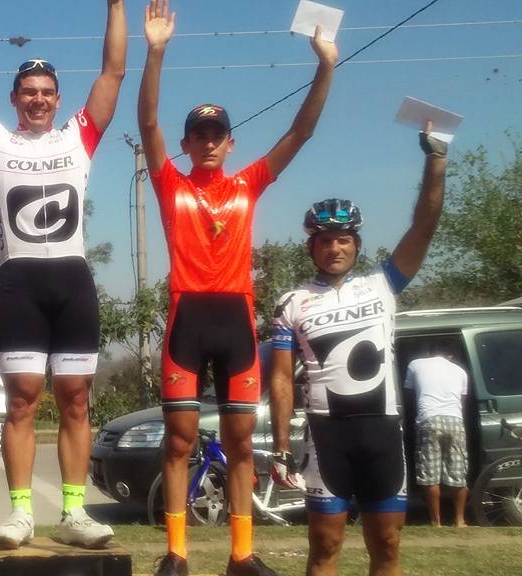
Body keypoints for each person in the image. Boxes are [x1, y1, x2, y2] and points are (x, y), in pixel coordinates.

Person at [136, 1, 336, 574]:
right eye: (197, 134)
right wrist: (156, 52)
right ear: (186, 143)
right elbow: (147, 124)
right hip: (188, 316)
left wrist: (325, 66)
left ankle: (241, 555)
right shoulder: (170, 183)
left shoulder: (249, 183)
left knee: (243, 442)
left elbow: (301, 131)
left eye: (216, 134)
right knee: (178, 441)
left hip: (235, 320)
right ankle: (176, 553)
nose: (207, 142)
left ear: (229, 143)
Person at [0, 0, 126, 549]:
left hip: (73, 281)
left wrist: (116, 6)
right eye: (29, 92)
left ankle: (73, 512)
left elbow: (113, 73)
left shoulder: (78, 137)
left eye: (47, 91)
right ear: (15, 98)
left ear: (58, 99)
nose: (38, 99)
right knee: (21, 400)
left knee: (76, 399)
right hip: (20, 281)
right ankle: (21, 512)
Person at [269, 125, 448, 575]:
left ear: (357, 245)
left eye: (343, 239)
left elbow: (424, 227)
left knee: (387, 544)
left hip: (382, 431)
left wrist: (436, 159)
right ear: (312, 247)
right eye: (325, 240)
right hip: (326, 435)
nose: (334, 248)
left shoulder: (383, 284)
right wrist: (280, 447)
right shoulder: (292, 302)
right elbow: (281, 378)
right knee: (324, 547)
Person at [403, 344, 470, 527]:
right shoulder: (460, 371)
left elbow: (408, 396)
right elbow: (462, 402)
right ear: (450, 355)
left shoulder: (415, 364)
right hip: (455, 420)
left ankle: (436, 522)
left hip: (429, 419)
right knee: (458, 472)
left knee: (430, 474)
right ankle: (460, 520)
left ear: (428, 353)